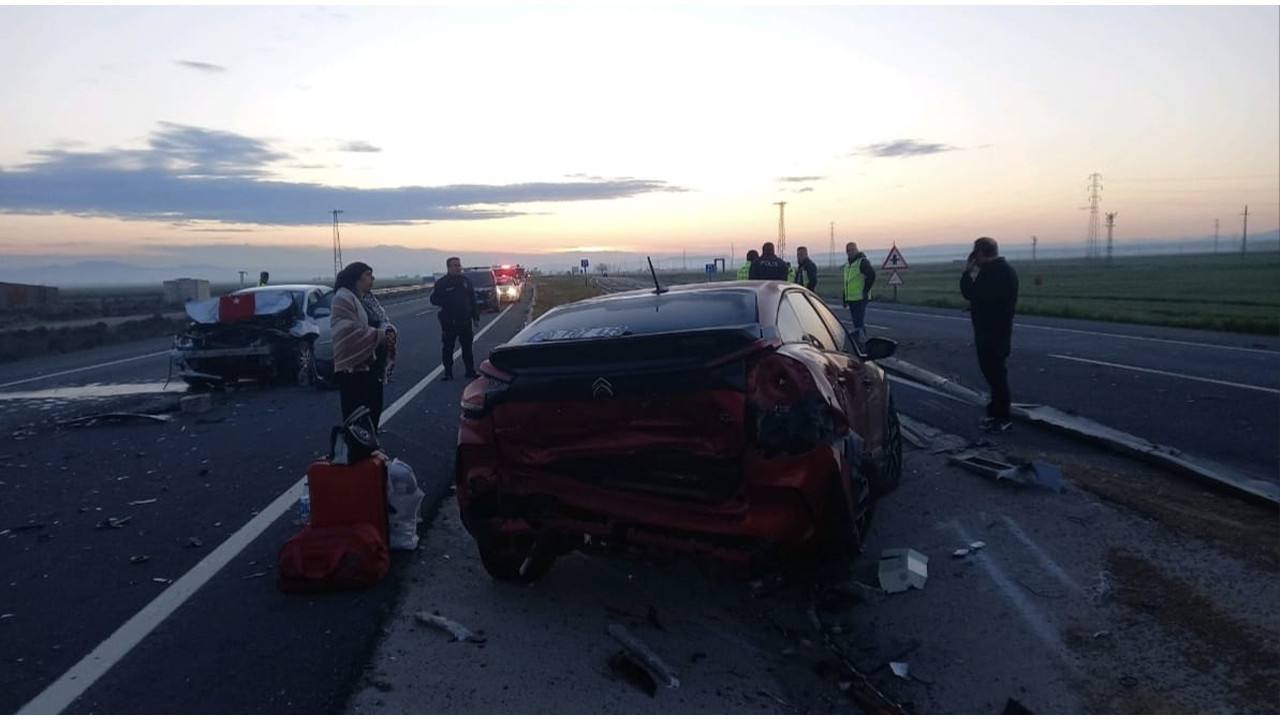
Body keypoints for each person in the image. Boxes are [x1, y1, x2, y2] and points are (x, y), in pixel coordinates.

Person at [960, 237, 1019, 432]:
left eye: (975, 254)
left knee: (995, 375)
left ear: (980, 253)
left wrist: (967, 273)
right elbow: (989, 299)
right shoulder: (1007, 270)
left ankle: (1002, 417)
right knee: (996, 374)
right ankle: (996, 413)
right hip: (1000, 331)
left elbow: (971, 293)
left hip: (990, 334)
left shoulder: (991, 272)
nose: (974, 258)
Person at [332, 262, 397, 428]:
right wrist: (380, 335)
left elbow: (383, 321)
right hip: (354, 369)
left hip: (373, 366)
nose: (372, 278)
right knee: (356, 415)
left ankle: (371, 447)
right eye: (368, 274)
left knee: (373, 409)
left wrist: (389, 332)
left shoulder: (368, 299)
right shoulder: (342, 298)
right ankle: (358, 451)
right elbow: (348, 332)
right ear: (356, 278)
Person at [430, 257, 480, 380]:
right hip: (449, 322)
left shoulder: (466, 282)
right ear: (449, 267)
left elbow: (473, 301)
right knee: (448, 348)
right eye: (455, 265)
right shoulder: (442, 283)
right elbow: (433, 299)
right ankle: (448, 372)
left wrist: (475, 317)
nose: (458, 267)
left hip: (465, 321)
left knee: (467, 347)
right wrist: (447, 302)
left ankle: (470, 371)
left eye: (459, 265)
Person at [842, 242, 876, 346]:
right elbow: (847, 283)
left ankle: (863, 344)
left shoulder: (862, 262)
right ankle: (859, 343)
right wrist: (845, 297)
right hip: (852, 298)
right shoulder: (848, 265)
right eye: (849, 250)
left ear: (857, 250)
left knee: (859, 323)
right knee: (856, 323)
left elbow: (871, 275)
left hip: (860, 298)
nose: (851, 252)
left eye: (853, 250)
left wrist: (865, 290)